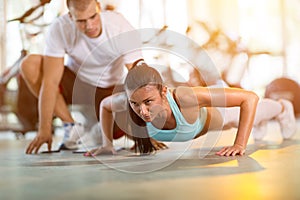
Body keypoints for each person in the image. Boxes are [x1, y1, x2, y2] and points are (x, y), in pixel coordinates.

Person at [85, 59, 297, 157]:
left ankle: (282, 107)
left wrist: (240, 144)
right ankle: (258, 122)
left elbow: (249, 98)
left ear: (164, 92)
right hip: (207, 124)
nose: (142, 111)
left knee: (248, 114)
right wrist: (107, 144)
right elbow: (105, 106)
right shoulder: (131, 101)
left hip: (221, 114)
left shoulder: (185, 98)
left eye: (149, 102)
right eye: (135, 104)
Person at [21, 0, 147, 154]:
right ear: (70, 16)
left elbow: (138, 78)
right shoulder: (60, 28)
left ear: (99, 8)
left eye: (93, 17)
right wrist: (44, 129)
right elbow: (50, 83)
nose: (89, 26)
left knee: (120, 131)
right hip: (77, 83)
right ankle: (70, 125)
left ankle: (97, 126)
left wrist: (144, 133)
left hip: (109, 89)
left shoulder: (119, 26)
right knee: (30, 64)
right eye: (80, 21)